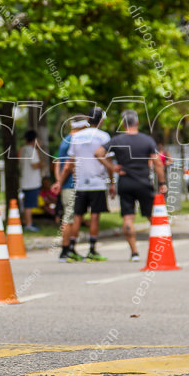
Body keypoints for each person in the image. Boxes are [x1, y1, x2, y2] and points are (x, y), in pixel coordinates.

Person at [94, 109, 166, 262]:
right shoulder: (147, 140)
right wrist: (162, 183)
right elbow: (158, 163)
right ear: (137, 122)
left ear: (123, 123)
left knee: (128, 218)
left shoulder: (117, 140)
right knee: (151, 216)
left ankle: (134, 253)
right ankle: (160, 248)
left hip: (125, 183)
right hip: (143, 182)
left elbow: (98, 153)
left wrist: (112, 167)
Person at [59, 107, 111, 261]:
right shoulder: (104, 137)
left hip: (80, 183)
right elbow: (108, 160)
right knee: (95, 216)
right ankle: (92, 250)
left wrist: (60, 182)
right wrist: (112, 181)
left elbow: (70, 163)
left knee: (77, 216)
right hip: (97, 182)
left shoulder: (76, 137)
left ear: (88, 119)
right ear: (101, 120)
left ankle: (72, 249)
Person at [54, 117, 83, 262]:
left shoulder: (65, 139)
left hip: (66, 185)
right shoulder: (74, 140)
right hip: (71, 184)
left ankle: (69, 249)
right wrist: (61, 182)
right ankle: (66, 250)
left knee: (70, 216)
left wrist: (58, 181)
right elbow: (67, 165)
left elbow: (58, 162)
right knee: (69, 218)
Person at [19, 130, 44, 232]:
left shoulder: (23, 149)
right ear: (35, 139)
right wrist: (42, 164)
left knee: (26, 204)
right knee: (29, 205)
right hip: (32, 183)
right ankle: (29, 224)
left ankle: (26, 222)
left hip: (25, 181)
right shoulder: (32, 150)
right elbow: (35, 165)